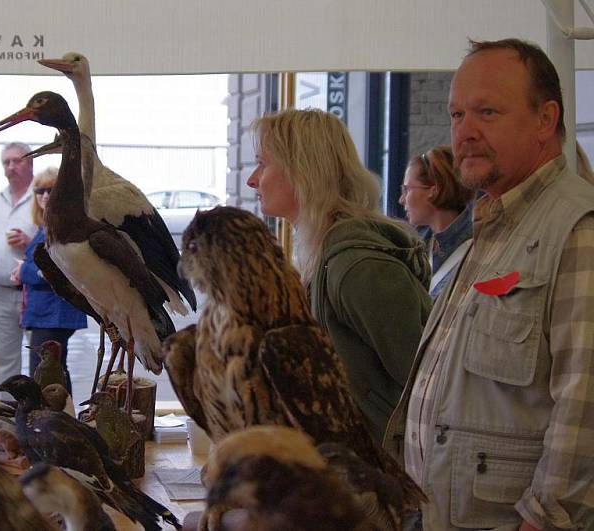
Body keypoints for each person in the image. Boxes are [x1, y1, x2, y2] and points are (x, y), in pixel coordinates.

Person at [384, 38, 594, 531]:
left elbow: (585, 403)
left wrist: (543, 520)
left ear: (546, 119)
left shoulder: (576, 228)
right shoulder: (498, 221)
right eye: (458, 115)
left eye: (488, 112)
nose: (466, 132)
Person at [246, 108, 432, 444]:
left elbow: (428, 383)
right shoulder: (327, 256)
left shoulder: (357, 267)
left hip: (376, 478)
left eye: (263, 163)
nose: (252, 179)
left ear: (301, 170)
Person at [10, 167, 88, 394]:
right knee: (55, 371)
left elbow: (55, 271)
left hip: (54, 314)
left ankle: (56, 419)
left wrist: (24, 271)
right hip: (48, 314)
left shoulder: (61, 227)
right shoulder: (48, 226)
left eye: (51, 190)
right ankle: (63, 418)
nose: (44, 196)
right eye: (40, 190)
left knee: (46, 374)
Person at [0, 142, 37, 389]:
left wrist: (29, 242)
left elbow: (58, 242)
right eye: (6, 162)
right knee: (4, 358)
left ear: (31, 162)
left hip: (34, 293)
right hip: (1, 291)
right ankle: (7, 414)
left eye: (18, 160)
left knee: (40, 357)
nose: (11, 167)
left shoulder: (44, 195)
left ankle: (41, 418)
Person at [399, 145, 474, 298]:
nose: (401, 200)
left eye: (406, 190)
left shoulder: (478, 246)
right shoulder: (415, 246)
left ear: (434, 190)